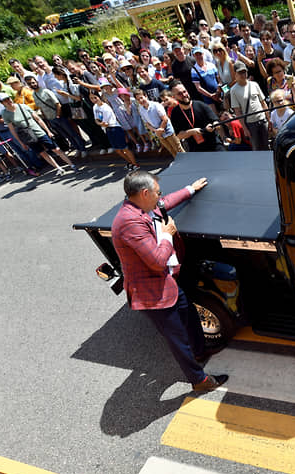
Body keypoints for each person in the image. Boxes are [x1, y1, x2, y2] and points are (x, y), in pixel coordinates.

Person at [111, 170, 228, 392]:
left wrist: (190, 189)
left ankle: (200, 350)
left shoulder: (140, 206)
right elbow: (156, 261)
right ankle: (199, 380)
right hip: (153, 292)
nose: (160, 195)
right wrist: (167, 234)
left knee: (190, 316)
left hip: (167, 283)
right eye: (157, 192)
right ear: (145, 193)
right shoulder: (129, 223)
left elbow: (165, 202)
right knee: (177, 339)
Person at [0, 93, 76, 175]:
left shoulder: (22, 106)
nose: (8, 101)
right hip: (28, 136)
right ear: (2, 103)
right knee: (42, 153)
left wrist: (48, 131)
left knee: (55, 149)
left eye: (8, 99)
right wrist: (21, 142)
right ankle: (58, 168)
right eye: (5, 101)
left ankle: (71, 164)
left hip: (38, 131)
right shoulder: (5, 113)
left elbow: (38, 119)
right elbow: (12, 129)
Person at [91, 89, 140, 170]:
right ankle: (130, 162)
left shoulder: (106, 107)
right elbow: (96, 119)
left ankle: (135, 164)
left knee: (124, 148)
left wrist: (101, 123)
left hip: (115, 128)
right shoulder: (95, 107)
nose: (93, 100)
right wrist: (100, 123)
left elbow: (105, 122)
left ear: (99, 97)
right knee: (117, 150)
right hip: (108, 129)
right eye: (91, 98)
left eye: (95, 97)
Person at [169, 82, 220, 152]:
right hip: (195, 149)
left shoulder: (201, 105)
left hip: (214, 145)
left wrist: (213, 126)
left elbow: (217, 123)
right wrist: (192, 132)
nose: (184, 95)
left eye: (184, 91)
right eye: (179, 94)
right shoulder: (175, 113)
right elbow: (178, 136)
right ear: (174, 97)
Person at [230, 61, 270, 151]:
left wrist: (269, 119)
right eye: (240, 72)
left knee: (267, 146)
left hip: (262, 120)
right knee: (256, 148)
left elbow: (263, 103)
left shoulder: (254, 84)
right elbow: (237, 111)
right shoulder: (234, 90)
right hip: (250, 124)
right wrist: (245, 129)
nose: (243, 74)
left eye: (244, 72)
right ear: (235, 74)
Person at [134, 88, 183, 158]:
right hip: (159, 134)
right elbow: (147, 124)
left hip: (167, 131)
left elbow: (165, 119)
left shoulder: (156, 105)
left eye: (141, 98)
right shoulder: (141, 109)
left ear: (145, 96)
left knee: (178, 149)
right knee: (171, 150)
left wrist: (160, 129)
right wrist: (156, 131)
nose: (141, 100)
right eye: (138, 99)